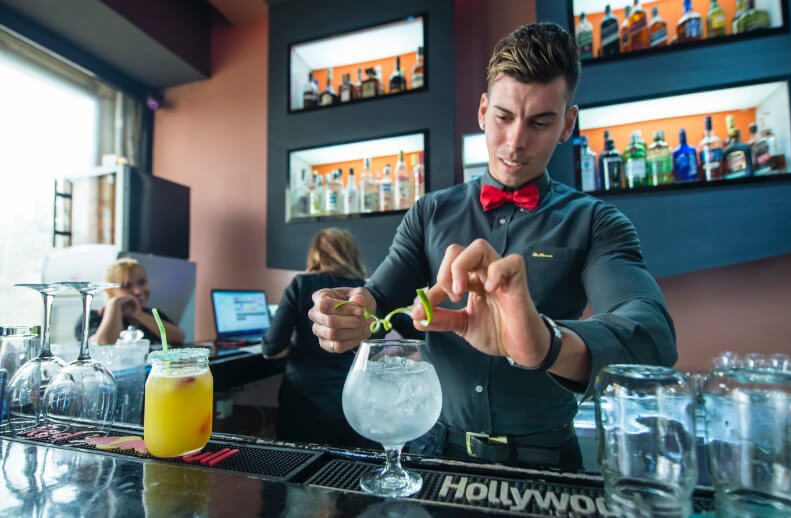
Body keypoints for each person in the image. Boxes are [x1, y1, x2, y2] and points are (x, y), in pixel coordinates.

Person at [308, 22, 677, 471]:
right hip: (436, 453)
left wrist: (545, 343)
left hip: (547, 462)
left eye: (540, 122)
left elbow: (652, 337)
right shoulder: (428, 213)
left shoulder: (596, 221)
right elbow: (379, 299)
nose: (516, 141)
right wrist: (352, 314)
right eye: (503, 117)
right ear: (483, 111)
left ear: (567, 124)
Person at [263, 228, 379, 448]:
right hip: (355, 403)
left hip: (303, 406)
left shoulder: (300, 285)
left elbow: (272, 347)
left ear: (315, 254)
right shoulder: (367, 292)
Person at [76, 258, 186, 345]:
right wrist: (114, 305)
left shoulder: (151, 314)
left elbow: (179, 338)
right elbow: (104, 343)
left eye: (142, 282)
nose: (137, 291)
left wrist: (136, 313)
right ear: (110, 291)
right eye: (127, 286)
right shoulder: (92, 318)